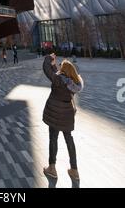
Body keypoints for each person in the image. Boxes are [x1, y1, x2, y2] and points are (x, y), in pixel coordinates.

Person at [42, 53, 83, 182]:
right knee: (69, 140)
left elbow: (47, 70)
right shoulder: (74, 83)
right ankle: (74, 170)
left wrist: (49, 58)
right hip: (67, 115)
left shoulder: (58, 80)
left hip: (55, 114)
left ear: (64, 70)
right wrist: (55, 66)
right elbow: (58, 74)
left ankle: (52, 168)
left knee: (53, 139)